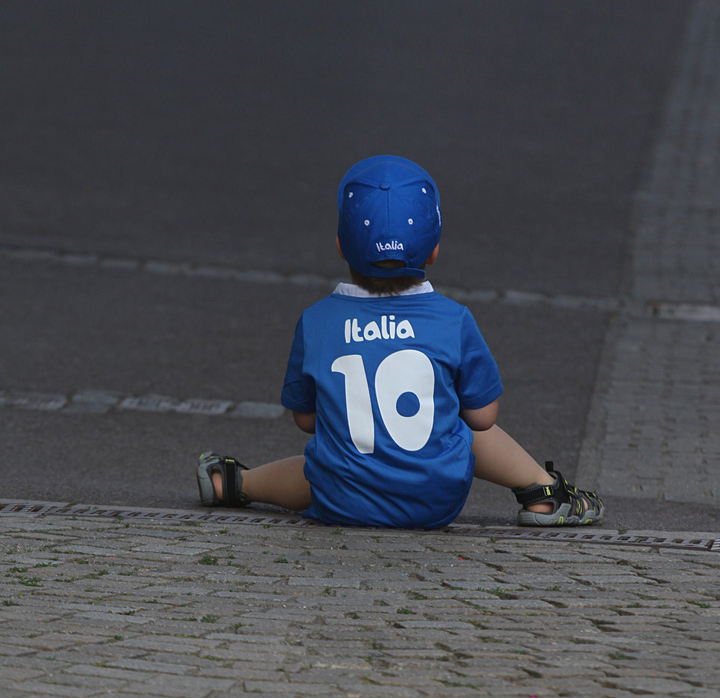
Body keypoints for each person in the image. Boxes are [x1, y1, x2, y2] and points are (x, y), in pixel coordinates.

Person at [197, 155, 604, 529]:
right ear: (434, 251)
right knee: (456, 419)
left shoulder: (317, 321)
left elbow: (305, 421)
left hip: (344, 501)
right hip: (435, 501)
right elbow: (483, 418)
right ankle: (541, 492)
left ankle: (237, 483)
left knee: (328, 458)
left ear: (340, 245)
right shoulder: (453, 319)